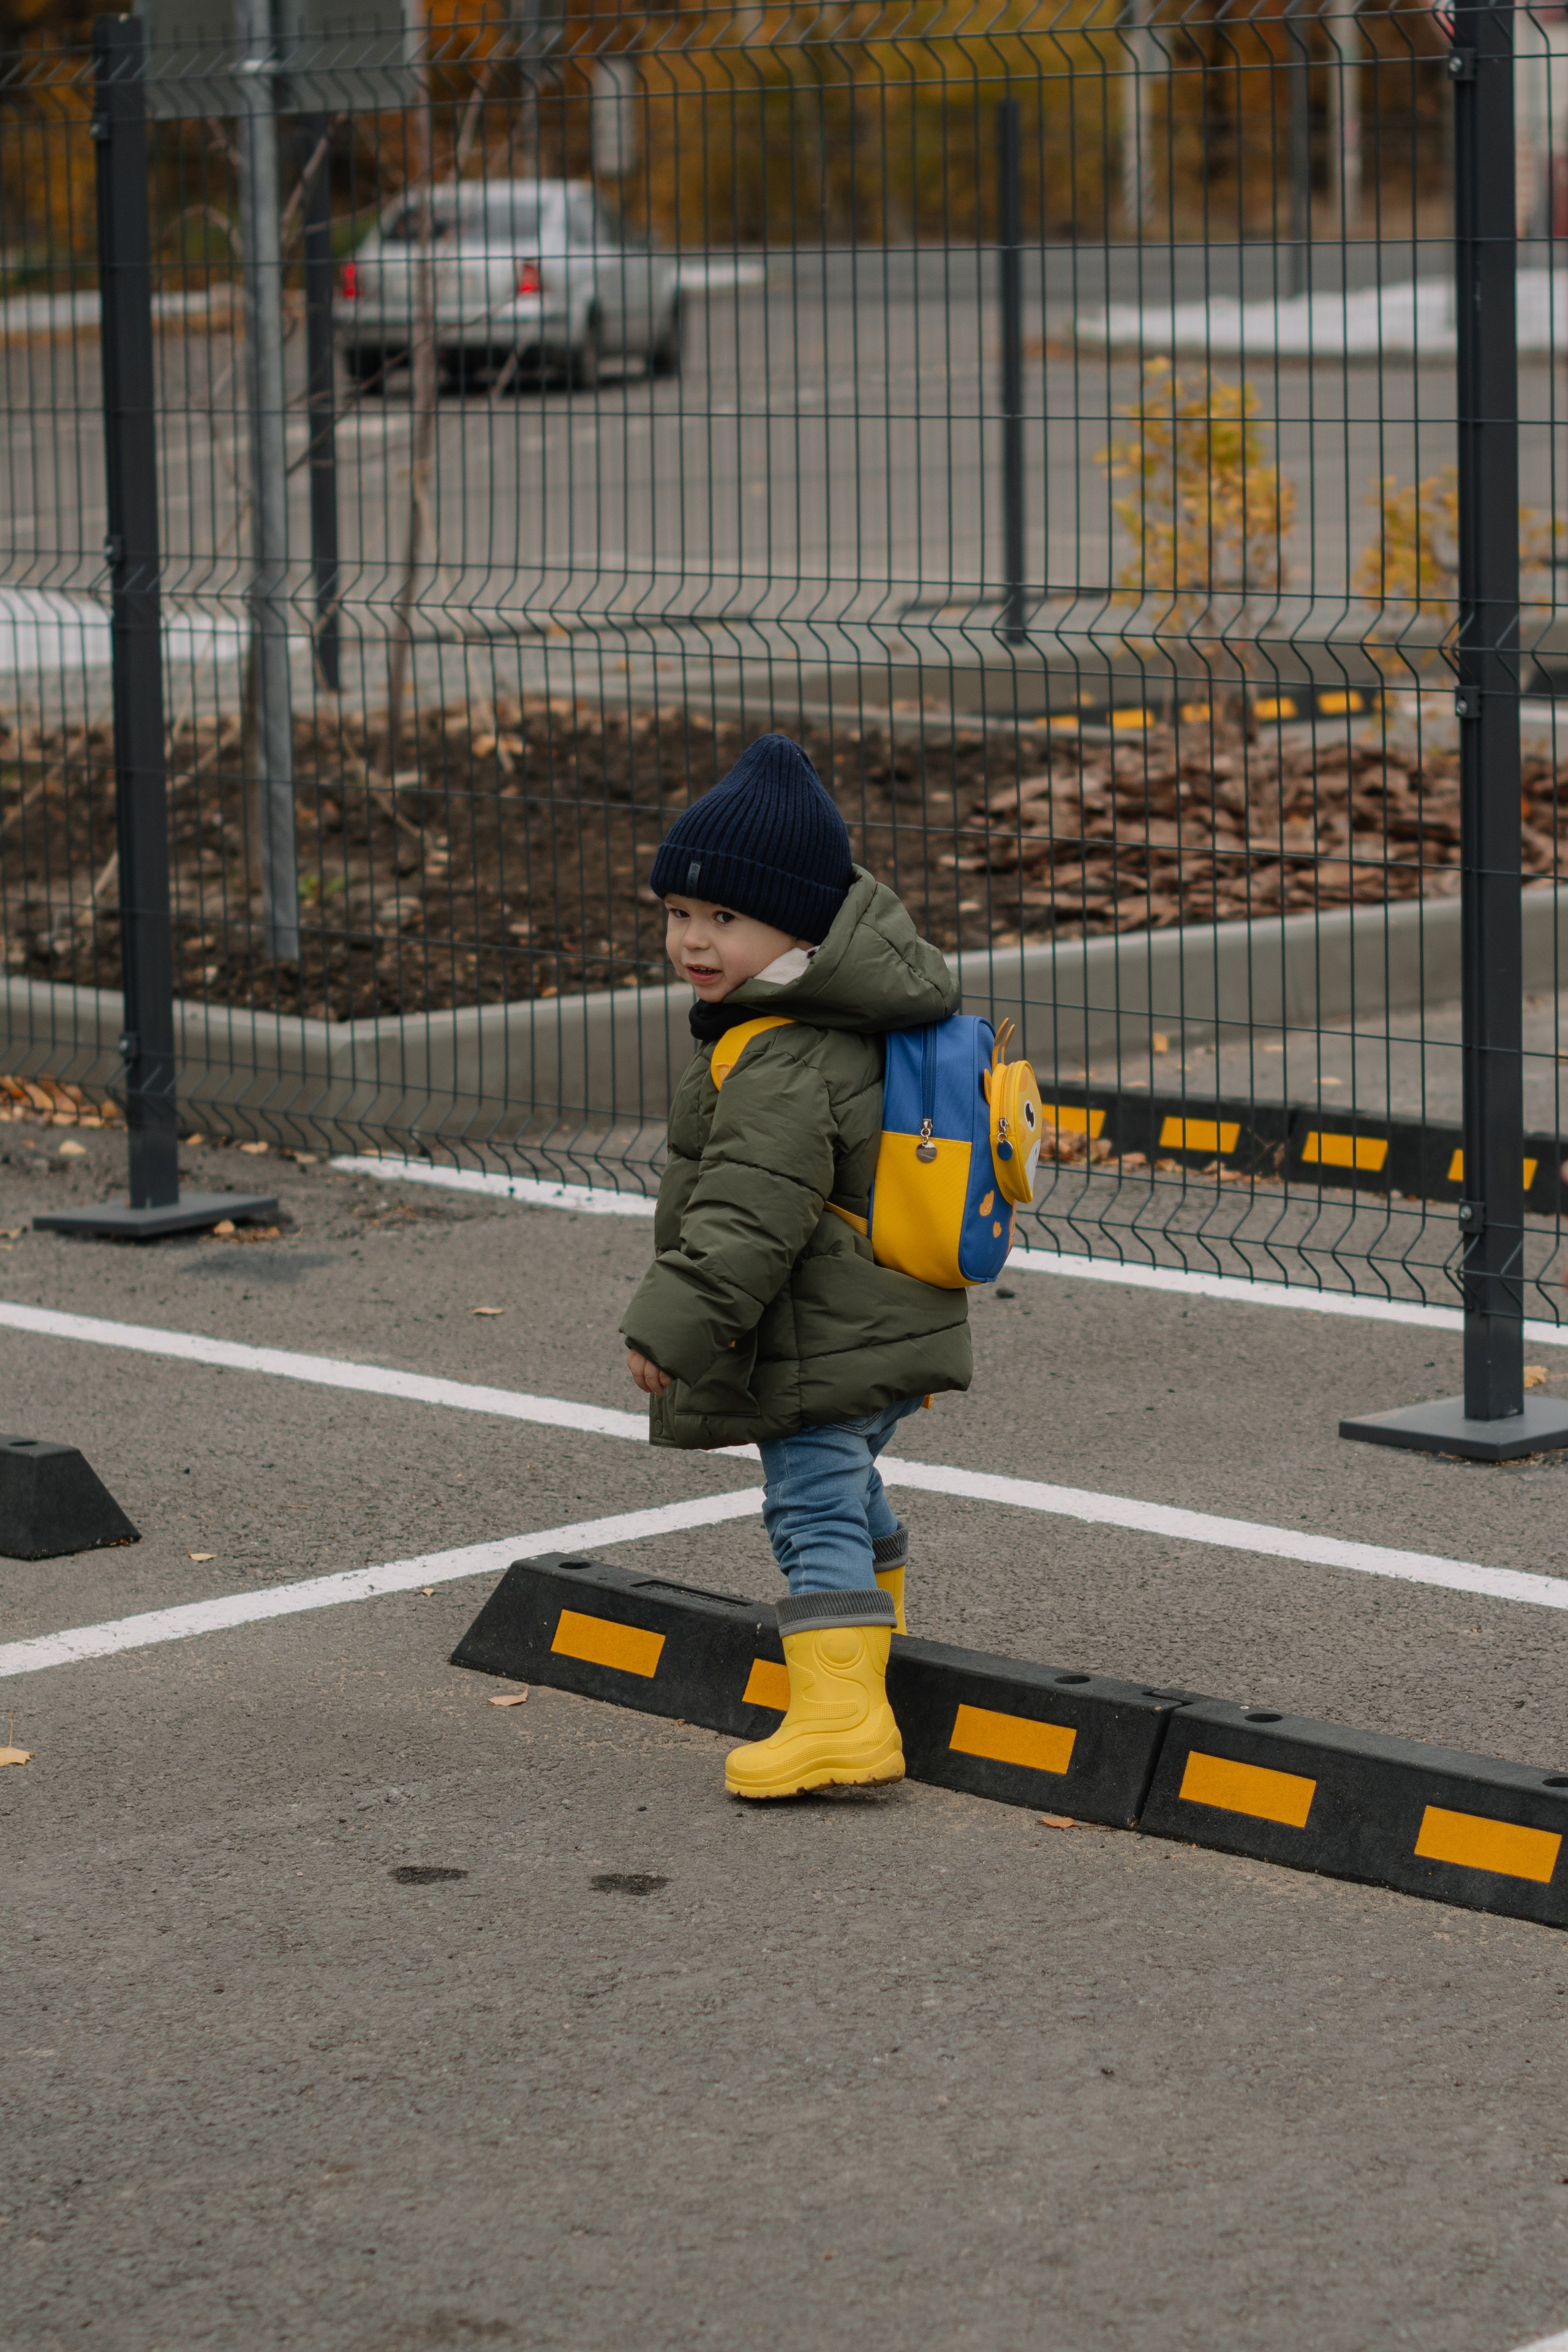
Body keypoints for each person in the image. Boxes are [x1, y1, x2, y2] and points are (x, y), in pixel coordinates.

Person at [620, 731, 971, 1800]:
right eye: (679, 913)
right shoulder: (837, 1014)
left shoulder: (780, 1052)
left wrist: (668, 1327)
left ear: (800, 924)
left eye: (724, 917)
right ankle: (875, 1636)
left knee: (809, 1506)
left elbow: (747, 1215)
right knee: (845, 1482)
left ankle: (840, 1718)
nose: (693, 939)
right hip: (882, 1321)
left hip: (819, 1330)